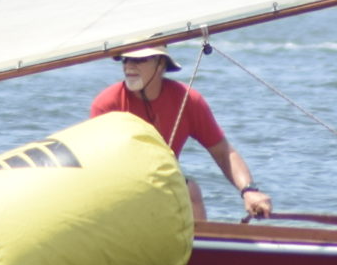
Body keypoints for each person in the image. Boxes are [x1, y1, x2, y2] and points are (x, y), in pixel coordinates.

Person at [90, 44, 271, 222]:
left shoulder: (188, 100)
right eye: (125, 59)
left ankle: (199, 248)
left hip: (163, 186)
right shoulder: (107, 103)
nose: (129, 66)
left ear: (161, 63)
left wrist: (249, 191)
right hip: (118, 188)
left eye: (139, 59)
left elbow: (223, 153)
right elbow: (96, 163)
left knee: (190, 191)